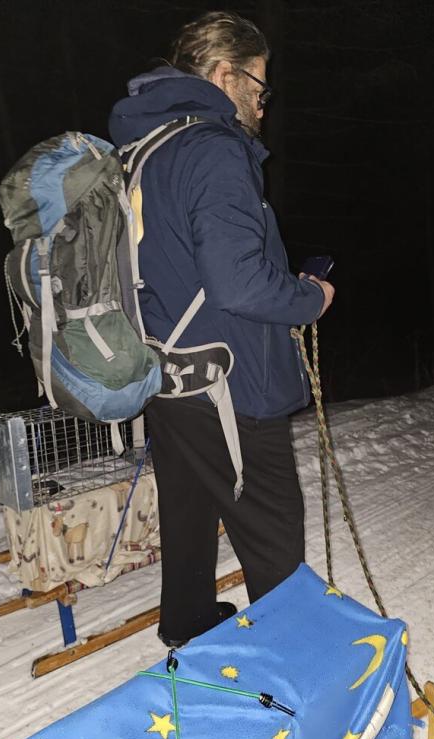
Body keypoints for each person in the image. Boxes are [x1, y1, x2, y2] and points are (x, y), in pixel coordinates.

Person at [109, 11, 334, 647]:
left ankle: (187, 623)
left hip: (164, 371)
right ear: (224, 73)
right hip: (228, 382)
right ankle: (293, 669)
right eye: (258, 84)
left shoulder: (144, 148)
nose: (263, 102)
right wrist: (310, 298)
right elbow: (240, 284)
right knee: (272, 528)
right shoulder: (213, 148)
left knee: (189, 504)